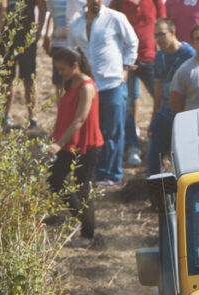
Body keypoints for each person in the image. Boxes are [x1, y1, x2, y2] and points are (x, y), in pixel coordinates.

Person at [69, 0, 137, 186]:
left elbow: (132, 42)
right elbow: (71, 52)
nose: (96, 1)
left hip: (111, 83)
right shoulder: (76, 23)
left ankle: (112, 174)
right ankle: (94, 172)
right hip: (87, 86)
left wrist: (125, 68)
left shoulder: (115, 18)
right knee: (90, 130)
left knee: (113, 131)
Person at [48, 46, 103, 246]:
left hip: (85, 145)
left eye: (63, 68)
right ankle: (83, 219)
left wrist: (58, 143)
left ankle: (88, 234)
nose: (60, 73)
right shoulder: (69, 83)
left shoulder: (87, 86)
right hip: (68, 143)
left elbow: (80, 119)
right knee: (55, 181)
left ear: (75, 65)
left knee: (82, 187)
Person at [109, 0, 164, 168]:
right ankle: (132, 146)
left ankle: (162, 141)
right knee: (127, 105)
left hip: (152, 58)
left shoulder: (155, 1)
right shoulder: (117, 3)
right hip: (127, 61)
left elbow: (163, 24)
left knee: (163, 99)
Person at [146, 16, 193, 179]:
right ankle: (157, 201)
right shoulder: (160, 56)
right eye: (155, 36)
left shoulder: (188, 54)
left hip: (182, 113)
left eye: (162, 34)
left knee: (181, 160)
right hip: (165, 112)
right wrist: (153, 118)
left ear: (173, 32)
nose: (158, 39)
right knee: (153, 158)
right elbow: (158, 88)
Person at [0, 0, 46, 130]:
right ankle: (7, 114)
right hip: (7, 37)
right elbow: (0, 6)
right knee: (7, 77)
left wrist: (39, 30)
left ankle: (32, 116)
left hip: (27, 38)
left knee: (29, 78)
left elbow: (42, 7)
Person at [41, 0, 85, 86]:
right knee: (59, 80)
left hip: (73, 44)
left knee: (75, 79)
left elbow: (85, 10)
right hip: (57, 43)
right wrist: (47, 35)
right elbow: (52, 14)